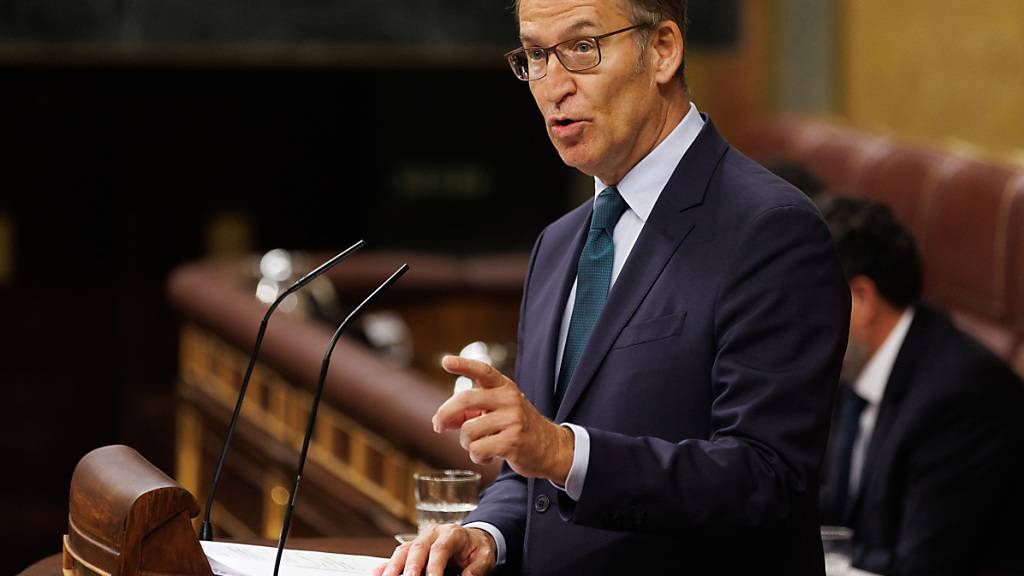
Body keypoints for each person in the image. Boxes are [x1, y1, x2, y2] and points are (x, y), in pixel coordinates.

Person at [376, 0, 850, 574]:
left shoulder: (769, 228)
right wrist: (489, 534)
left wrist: (560, 450)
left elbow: (766, 477)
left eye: (582, 47)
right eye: (534, 55)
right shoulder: (558, 243)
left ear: (663, 51)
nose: (554, 86)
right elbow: (531, 472)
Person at [818, 196, 1024, 576]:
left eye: (809, 299)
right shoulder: (850, 371)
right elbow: (828, 509)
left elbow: (924, 566)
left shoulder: (962, 397)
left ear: (861, 299)